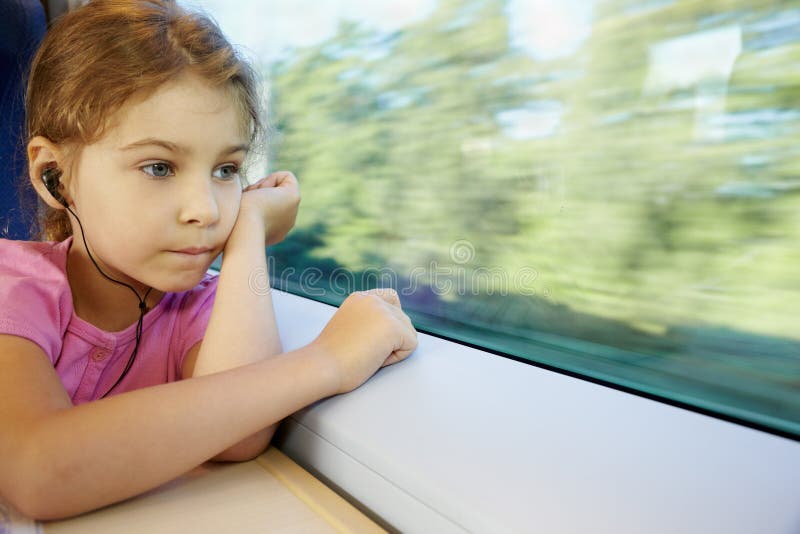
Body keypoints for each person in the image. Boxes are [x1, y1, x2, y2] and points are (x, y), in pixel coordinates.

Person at [0, 0, 418, 521]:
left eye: (226, 170)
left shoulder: (196, 311)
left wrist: (249, 229)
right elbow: (37, 472)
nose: (206, 209)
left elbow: (241, 438)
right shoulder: (13, 284)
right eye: (158, 167)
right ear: (54, 176)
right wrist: (328, 362)